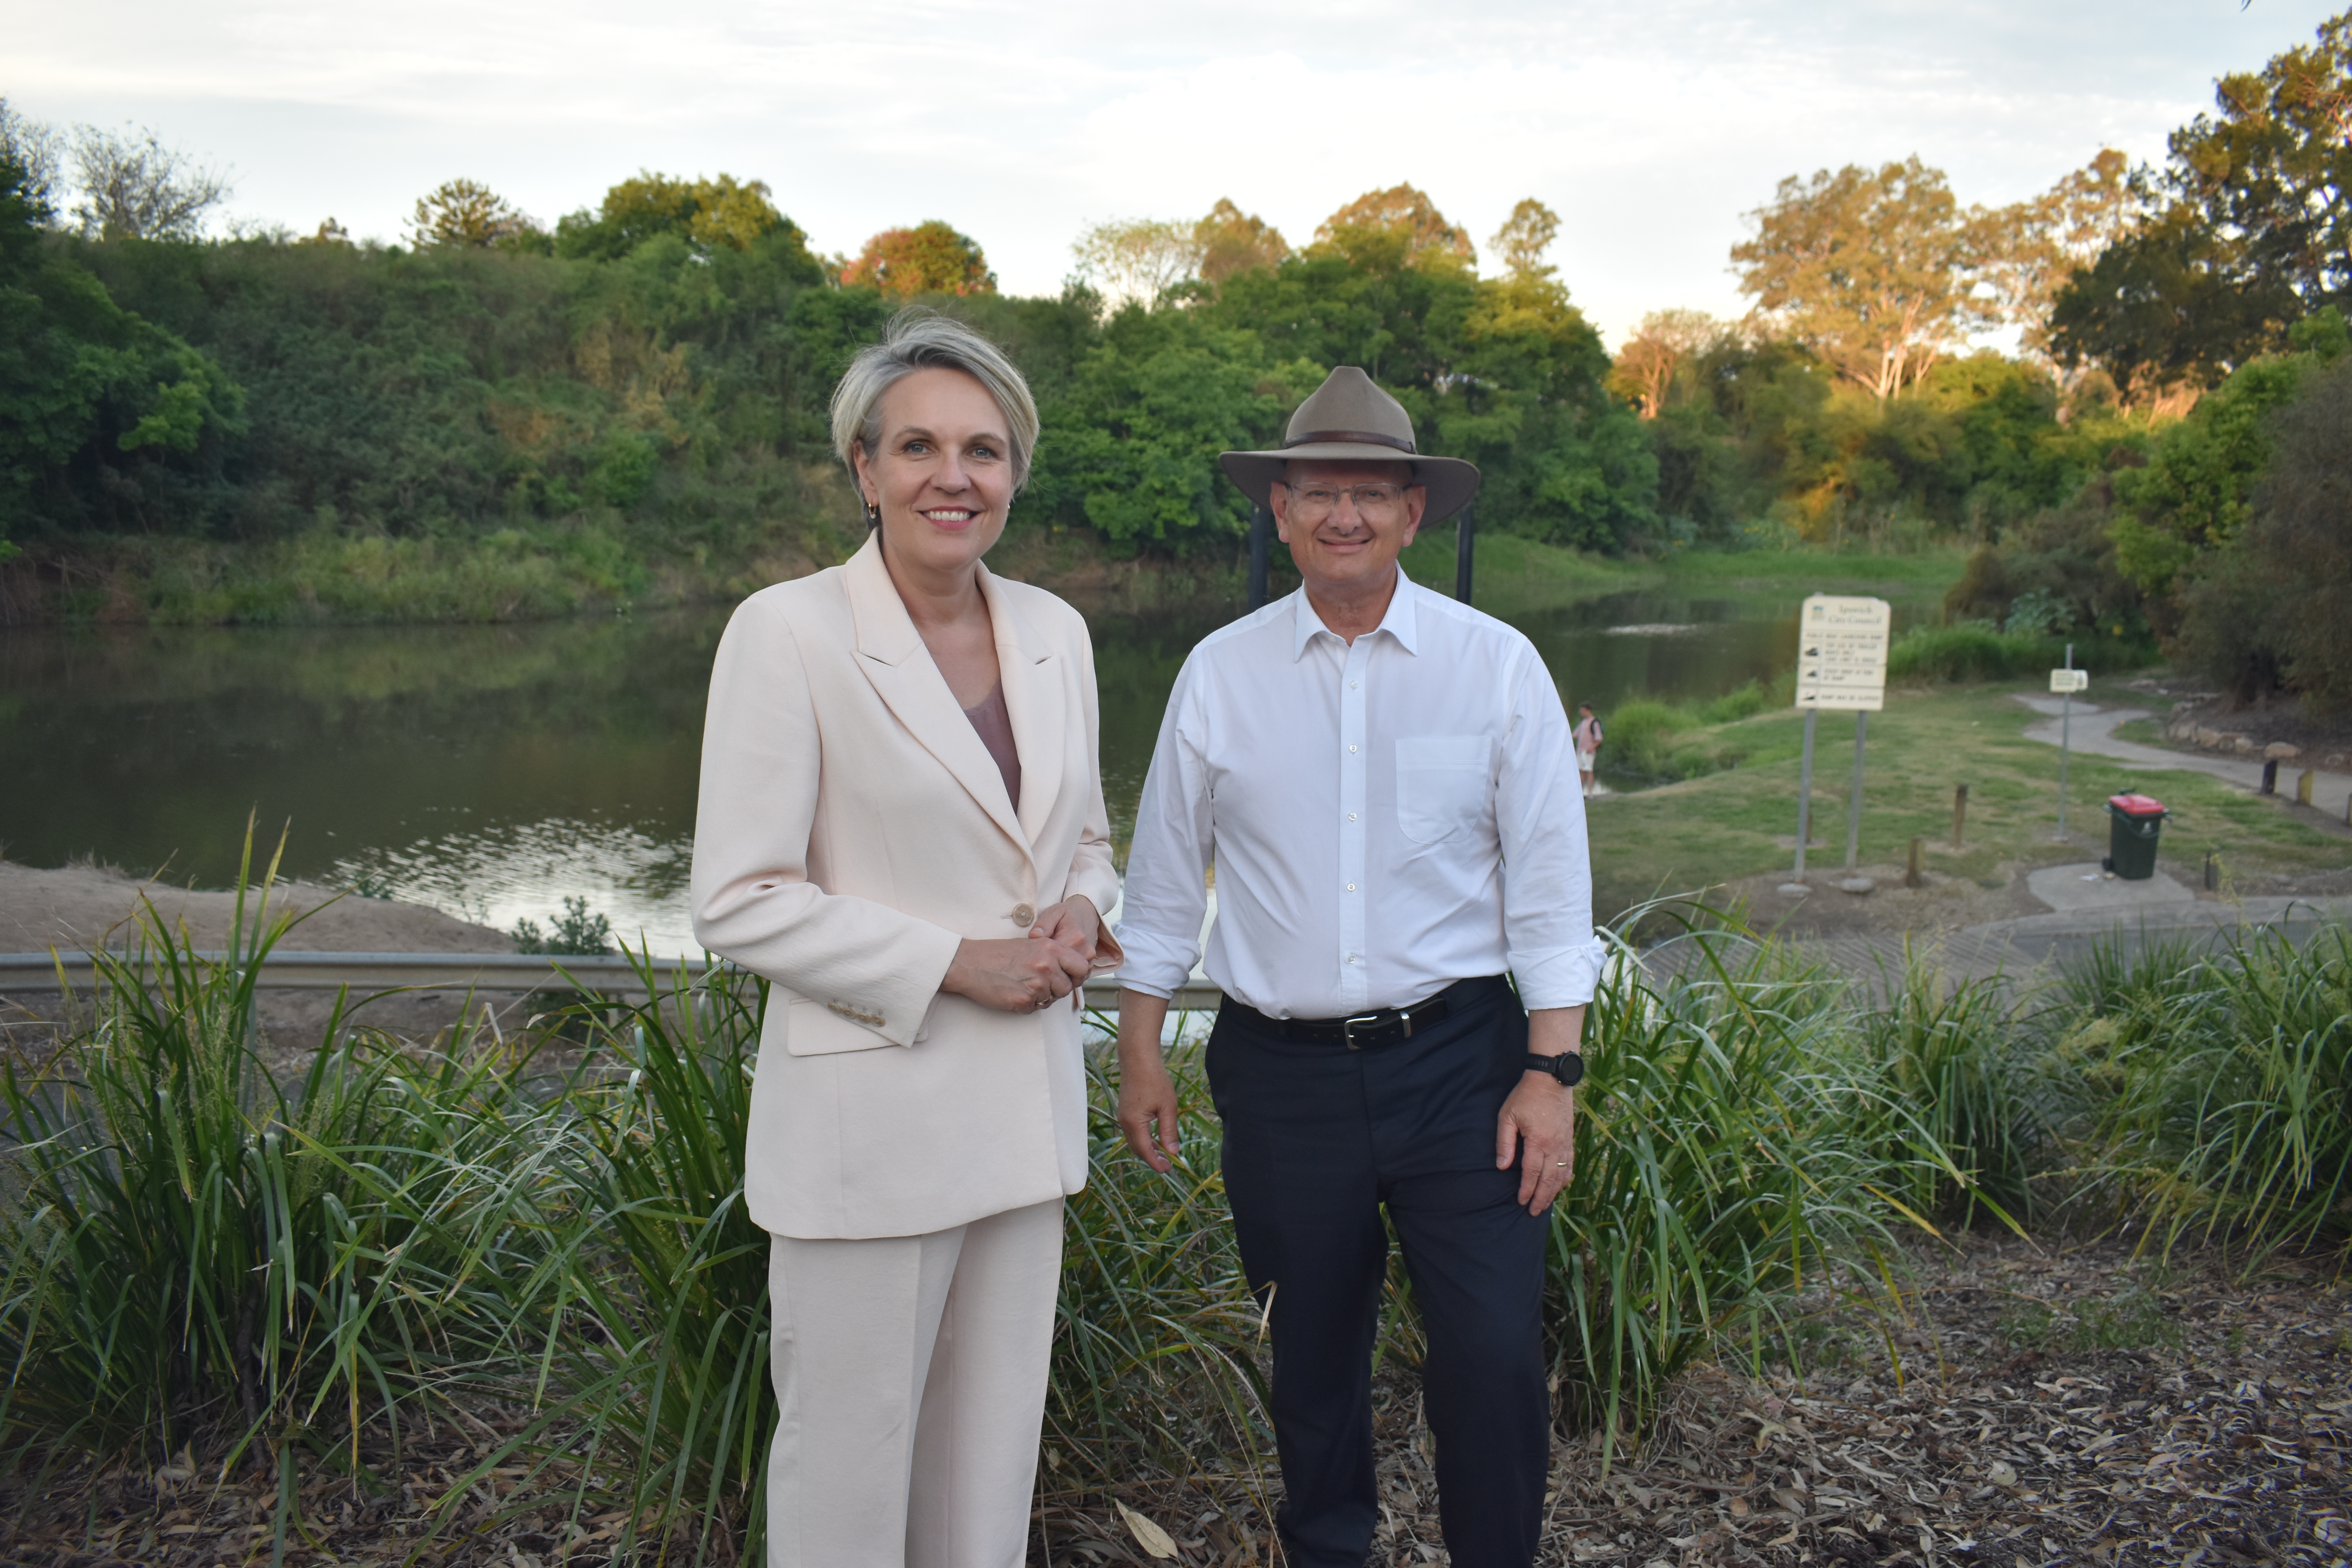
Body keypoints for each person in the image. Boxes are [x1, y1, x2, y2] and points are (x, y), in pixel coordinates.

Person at [1110, 366, 1603, 1568]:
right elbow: (1167, 882)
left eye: (1370, 493)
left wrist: (1553, 1073)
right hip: (1281, 1078)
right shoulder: (1217, 675)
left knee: (1489, 1352)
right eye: (1317, 491)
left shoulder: (1494, 668)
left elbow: (1548, 888)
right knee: (1312, 1357)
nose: (1344, 514)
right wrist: (1136, 1047)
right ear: (1278, 510)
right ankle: (1329, 1551)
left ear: (1411, 513)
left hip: (1460, 1067)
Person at [690, 310, 1121, 1568]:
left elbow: (1083, 835)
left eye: (983, 449)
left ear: (1013, 474)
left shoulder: (1056, 630)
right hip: (866, 1133)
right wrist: (952, 962)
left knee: (986, 1475)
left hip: (1021, 1125)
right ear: (862, 470)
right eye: (919, 446)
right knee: (847, 1471)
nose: (954, 475)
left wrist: (1082, 908)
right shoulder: (788, 632)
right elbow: (739, 897)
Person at [1575, 702, 1604, 797]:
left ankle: (1590, 793)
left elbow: (1599, 739)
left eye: (1583, 710)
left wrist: (1591, 748)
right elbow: (1575, 735)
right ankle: (1580, 793)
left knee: (1589, 771)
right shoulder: (1583, 722)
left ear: (1588, 710)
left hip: (1588, 752)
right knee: (1581, 772)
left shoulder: (1594, 723)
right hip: (1580, 751)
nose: (1581, 713)